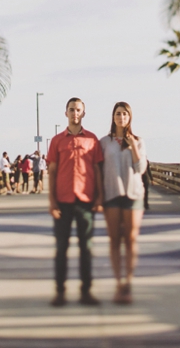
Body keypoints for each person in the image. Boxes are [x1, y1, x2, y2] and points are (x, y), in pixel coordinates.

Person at [47, 97, 104, 307]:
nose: (75, 113)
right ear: (66, 113)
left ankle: (86, 291)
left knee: (86, 248)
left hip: (85, 200)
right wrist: (51, 201)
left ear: (83, 113)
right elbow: (52, 172)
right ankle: (60, 291)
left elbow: (97, 170)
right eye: (71, 110)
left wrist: (99, 198)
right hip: (62, 200)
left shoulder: (92, 140)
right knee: (61, 248)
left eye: (78, 110)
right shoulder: (56, 141)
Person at [100, 101, 147, 305]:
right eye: (118, 114)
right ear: (113, 117)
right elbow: (99, 169)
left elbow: (141, 168)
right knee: (114, 239)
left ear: (130, 118)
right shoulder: (104, 142)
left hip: (133, 193)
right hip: (112, 193)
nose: (121, 117)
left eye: (125, 114)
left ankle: (128, 281)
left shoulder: (138, 140)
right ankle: (118, 282)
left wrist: (134, 147)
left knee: (130, 239)